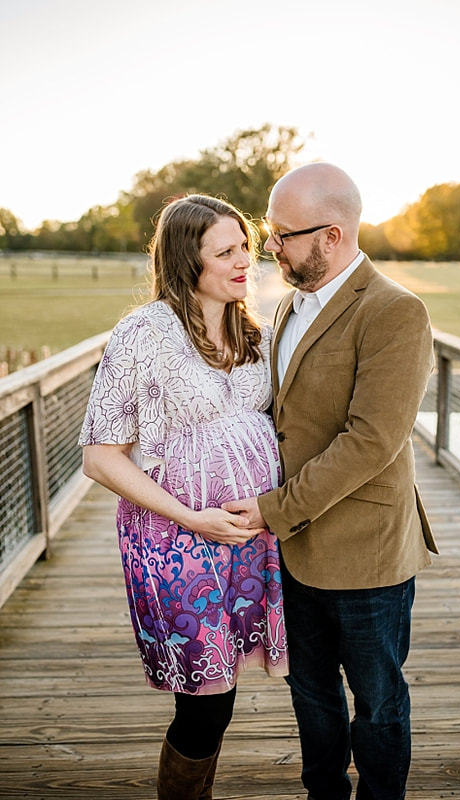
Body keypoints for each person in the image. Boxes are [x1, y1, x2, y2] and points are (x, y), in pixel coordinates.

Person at [222, 162, 436, 800]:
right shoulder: (289, 304)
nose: (270, 246)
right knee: (311, 693)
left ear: (333, 235)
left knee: (376, 702)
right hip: (294, 545)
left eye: (282, 234)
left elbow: (371, 441)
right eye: (270, 231)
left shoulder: (397, 312)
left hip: (366, 551)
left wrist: (271, 509)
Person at [79, 194, 288, 799]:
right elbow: (100, 457)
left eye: (244, 245)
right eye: (224, 252)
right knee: (204, 703)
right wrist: (193, 518)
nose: (244, 261)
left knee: (224, 694)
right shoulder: (142, 335)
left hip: (250, 543)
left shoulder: (257, 330)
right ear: (184, 261)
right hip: (175, 543)